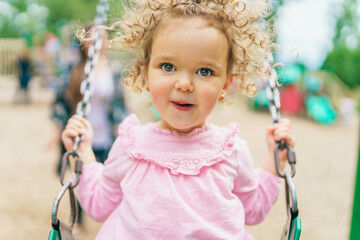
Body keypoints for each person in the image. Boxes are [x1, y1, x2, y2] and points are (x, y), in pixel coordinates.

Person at [62, 1, 296, 239]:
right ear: (146, 73)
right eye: (168, 66)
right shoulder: (131, 146)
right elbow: (99, 204)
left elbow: (253, 210)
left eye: (204, 71)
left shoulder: (231, 150)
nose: (184, 84)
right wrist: (82, 153)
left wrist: (273, 162)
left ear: (225, 84)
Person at [51, 23, 128, 233]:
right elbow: (59, 102)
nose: (96, 43)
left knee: (108, 177)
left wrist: (123, 130)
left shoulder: (113, 70)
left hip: (105, 133)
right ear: (83, 43)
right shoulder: (72, 68)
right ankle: (77, 220)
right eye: (91, 39)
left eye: (100, 38)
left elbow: (121, 104)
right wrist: (56, 130)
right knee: (80, 178)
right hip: (80, 135)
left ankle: (112, 221)